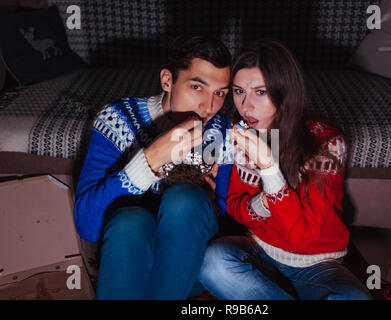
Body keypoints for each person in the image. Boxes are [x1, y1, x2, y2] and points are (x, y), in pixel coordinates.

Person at [198, 40, 372, 300]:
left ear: (284, 92)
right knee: (212, 260)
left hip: (318, 264)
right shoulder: (241, 134)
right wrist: (264, 202)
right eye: (238, 91)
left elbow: (303, 239)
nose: (245, 106)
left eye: (260, 92)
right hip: (258, 252)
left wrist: (269, 168)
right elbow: (235, 206)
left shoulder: (327, 143)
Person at [73, 35, 234, 300]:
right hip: (129, 255)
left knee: (185, 199)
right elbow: (87, 225)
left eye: (220, 93)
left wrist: (213, 204)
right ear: (167, 80)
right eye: (197, 87)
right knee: (129, 220)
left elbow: (230, 217)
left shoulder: (221, 133)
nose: (209, 106)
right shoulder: (119, 119)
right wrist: (149, 161)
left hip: (187, 266)